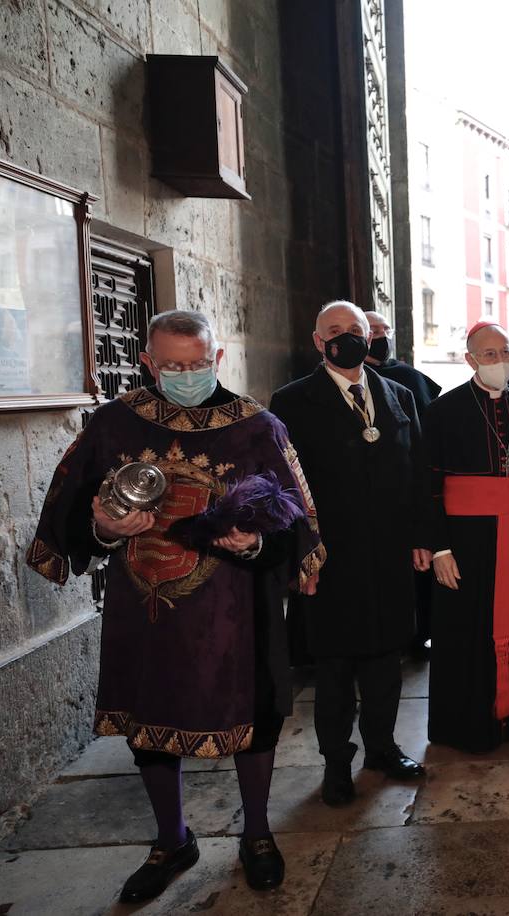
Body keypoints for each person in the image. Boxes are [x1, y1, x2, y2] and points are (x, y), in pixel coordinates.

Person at [26, 310, 323, 901]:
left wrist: (258, 541)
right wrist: (106, 527)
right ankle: (171, 839)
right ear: (148, 362)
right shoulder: (114, 425)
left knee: (254, 718)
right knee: (150, 719)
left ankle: (258, 834)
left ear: (216, 358)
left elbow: (299, 517)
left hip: (238, 608)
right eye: (171, 366)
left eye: (195, 364)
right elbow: (70, 510)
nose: (185, 374)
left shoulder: (257, 428)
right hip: (148, 607)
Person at [269, 301, 425, 808]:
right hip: (330, 560)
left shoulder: (397, 394)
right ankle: (336, 762)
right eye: (335, 332)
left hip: (389, 556)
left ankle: (382, 748)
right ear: (319, 342)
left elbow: (417, 472)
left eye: (355, 330)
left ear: (370, 336)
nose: (347, 338)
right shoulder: (292, 401)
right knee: (335, 669)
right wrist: (298, 557)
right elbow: (282, 487)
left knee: (385, 662)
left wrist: (423, 536)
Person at [414, 322, 509, 752]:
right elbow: (427, 484)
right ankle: (470, 724)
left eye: (505, 352)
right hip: (465, 540)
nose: (500, 362)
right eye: (489, 354)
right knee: (468, 632)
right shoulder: (443, 411)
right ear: (470, 360)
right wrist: (439, 547)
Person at [364, 308, 441, 660]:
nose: (380, 337)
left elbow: (428, 430)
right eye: (372, 330)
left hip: (404, 494)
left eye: (384, 329)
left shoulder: (407, 379)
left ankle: (417, 634)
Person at [364, 310, 442, 412]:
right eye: (375, 331)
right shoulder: (355, 373)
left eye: (387, 330)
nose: (384, 336)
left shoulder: (408, 373)